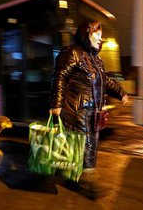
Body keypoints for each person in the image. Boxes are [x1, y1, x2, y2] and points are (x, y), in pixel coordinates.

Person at [50, 21, 128, 198]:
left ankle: (72, 175)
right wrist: (56, 103)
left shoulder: (95, 59)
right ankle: (89, 182)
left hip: (92, 110)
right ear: (87, 34)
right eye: (97, 35)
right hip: (76, 109)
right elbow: (60, 77)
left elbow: (105, 81)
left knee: (85, 144)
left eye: (101, 36)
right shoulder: (72, 53)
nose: (101, 39)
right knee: (87, 144)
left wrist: (121, 93)